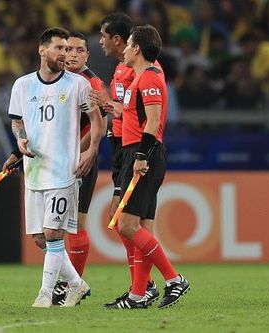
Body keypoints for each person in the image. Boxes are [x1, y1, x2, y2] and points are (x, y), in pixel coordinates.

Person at [3, 27, 102, 308]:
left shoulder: (77, 84)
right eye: (59, 48)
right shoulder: (22, 85)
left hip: (64, 172)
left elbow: (97, 121)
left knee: (53, 233)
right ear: (42, 50)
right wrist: (20, 141)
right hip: (34, 171)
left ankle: (45, 294)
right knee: (39, 238)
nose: (65, 54)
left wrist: (92, 151)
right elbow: (18, 121)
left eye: (68, 49)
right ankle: (77, 284)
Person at [103, 25, 190, 309]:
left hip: (143, 156)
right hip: (136, 153)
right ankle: (138, 294)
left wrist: (140, 157)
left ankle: (174, 278)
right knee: (141, 227)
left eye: (128, 44)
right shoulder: (140, 78)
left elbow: (153, 123)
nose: (125, 49)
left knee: (126, 224)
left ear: (137, 48)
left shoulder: (150, 78)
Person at [90, 13, 159, 307]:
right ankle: (141, 287)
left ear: (119, 40)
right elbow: (124, 109)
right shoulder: (121, 69)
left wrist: (111, 107)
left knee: (127, 222)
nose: (100, 43)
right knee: (122, 221)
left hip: (136, 149)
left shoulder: (142, 71)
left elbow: (139, 112)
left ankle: (149, 285)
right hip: (120, 148)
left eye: (103, 37)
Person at [50, 31, 108, 306]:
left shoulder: (90, 81)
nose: (72, 54)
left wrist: (79, 150)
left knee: (75, 224)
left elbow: (100, 123)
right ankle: (68, 284)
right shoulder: (61, 80)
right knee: (57, 226)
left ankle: (72, 285)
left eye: (78, 50)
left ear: (87, 55)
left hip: (79, 160)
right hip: (59, 159)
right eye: (67, 49)